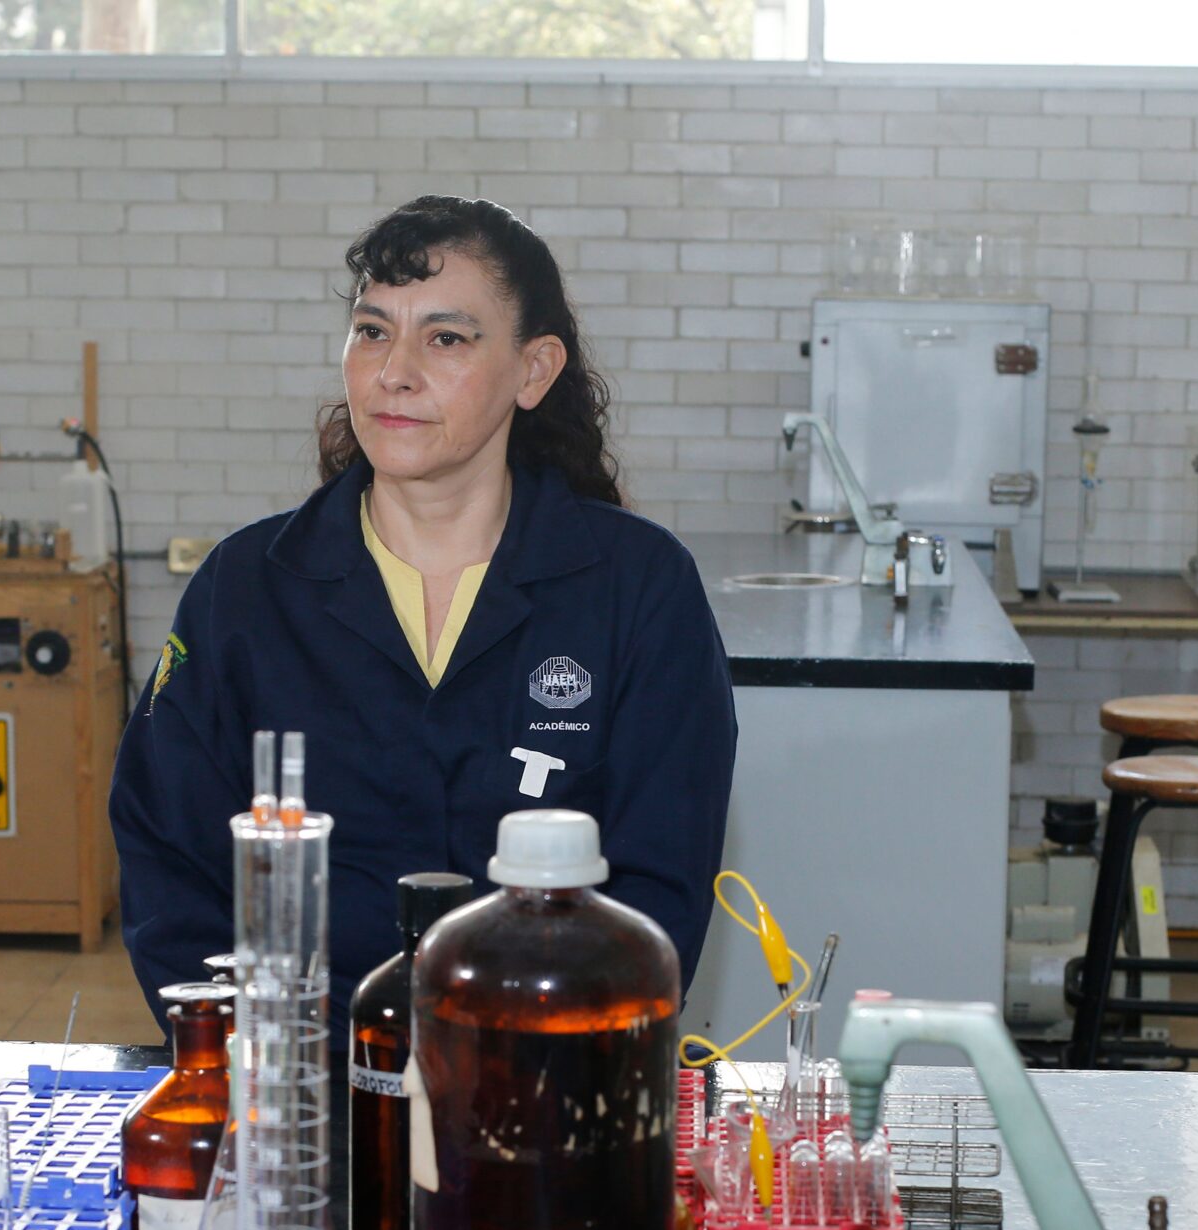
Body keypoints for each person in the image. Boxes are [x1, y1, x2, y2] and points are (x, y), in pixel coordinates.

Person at [109, 195, 738, 1031]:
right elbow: (168, 859)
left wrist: (535, 1070)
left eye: (446, 338)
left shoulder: (640, 590)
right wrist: (272, 1069)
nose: (394, 371)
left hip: (545, 1086)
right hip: (304, 1088)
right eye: (373, 331)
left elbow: (659, 890)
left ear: (534, 370)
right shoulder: (245, 591)